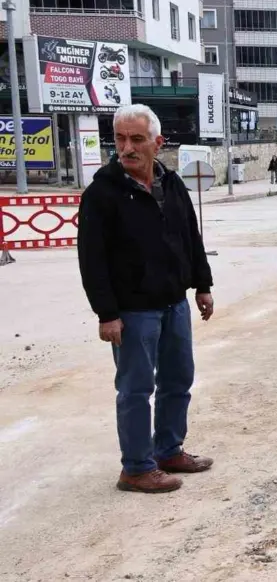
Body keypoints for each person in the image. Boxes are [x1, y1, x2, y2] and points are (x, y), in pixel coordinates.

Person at [77, 104, 215, 494]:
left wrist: (202, 284)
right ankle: (136, 467)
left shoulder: (170, 183)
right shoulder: (103, 193)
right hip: (133, 311)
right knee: (136, 389)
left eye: (136, 139)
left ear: (158, 141)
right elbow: (92, 261)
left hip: (173, 303)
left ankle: (168, 450)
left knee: (178, 379)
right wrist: (107, 314)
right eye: (120, 139)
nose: (127, 147)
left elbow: (191, 235)